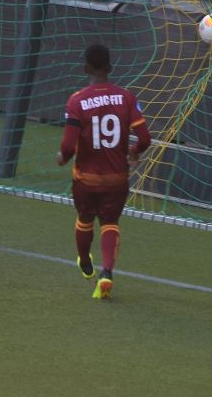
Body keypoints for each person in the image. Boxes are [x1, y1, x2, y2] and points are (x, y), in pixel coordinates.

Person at [55, 44, 151, 299]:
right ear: (109, 68)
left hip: (86, 179)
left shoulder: (77, 100)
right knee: (110, 223)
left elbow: (67, 145)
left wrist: (63, 157)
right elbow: (145, 138)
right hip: (116, 178)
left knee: (85, 219)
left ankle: (86, 261)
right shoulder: (127, 98)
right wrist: (134, 151)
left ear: (86, 68)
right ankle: (106, 272)